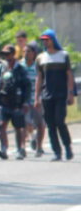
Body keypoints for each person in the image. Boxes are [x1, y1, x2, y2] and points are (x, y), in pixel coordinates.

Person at [34, 29, 75, 161]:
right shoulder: (40, 58)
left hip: (61, 94)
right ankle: (57, 151)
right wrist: (36, 97)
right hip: (47, 95)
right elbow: (39, 78)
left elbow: (69, 75)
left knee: (59, 121)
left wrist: (70, 93)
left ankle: (67, 146)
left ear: (52, 39)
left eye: (47, 39)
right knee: (50, 125)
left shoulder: (63, 55)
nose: (45, 42)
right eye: (43, 40)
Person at [0, 44, 32, 160]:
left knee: (18, 127)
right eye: (4, 54)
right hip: (4, 102)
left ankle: (20, 149)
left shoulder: (20, 69)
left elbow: (27, 86)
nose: (5, 56)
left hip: (17, 103)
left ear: (13, 54)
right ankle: (4, 149)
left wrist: (26, 102)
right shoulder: (1, 67)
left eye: (8, 53)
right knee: (2, 125)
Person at [21, 42, 46, 157]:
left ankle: (39, 147)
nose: (26, 54)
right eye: (24, 51)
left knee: (40, 123)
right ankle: (32, 136)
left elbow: (42, 81)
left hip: (37, 98)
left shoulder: (39, 65)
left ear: (34, 54)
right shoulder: (20, 66)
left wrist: (39, 97)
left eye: (28, 51)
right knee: (25, 123)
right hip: (24, 100)